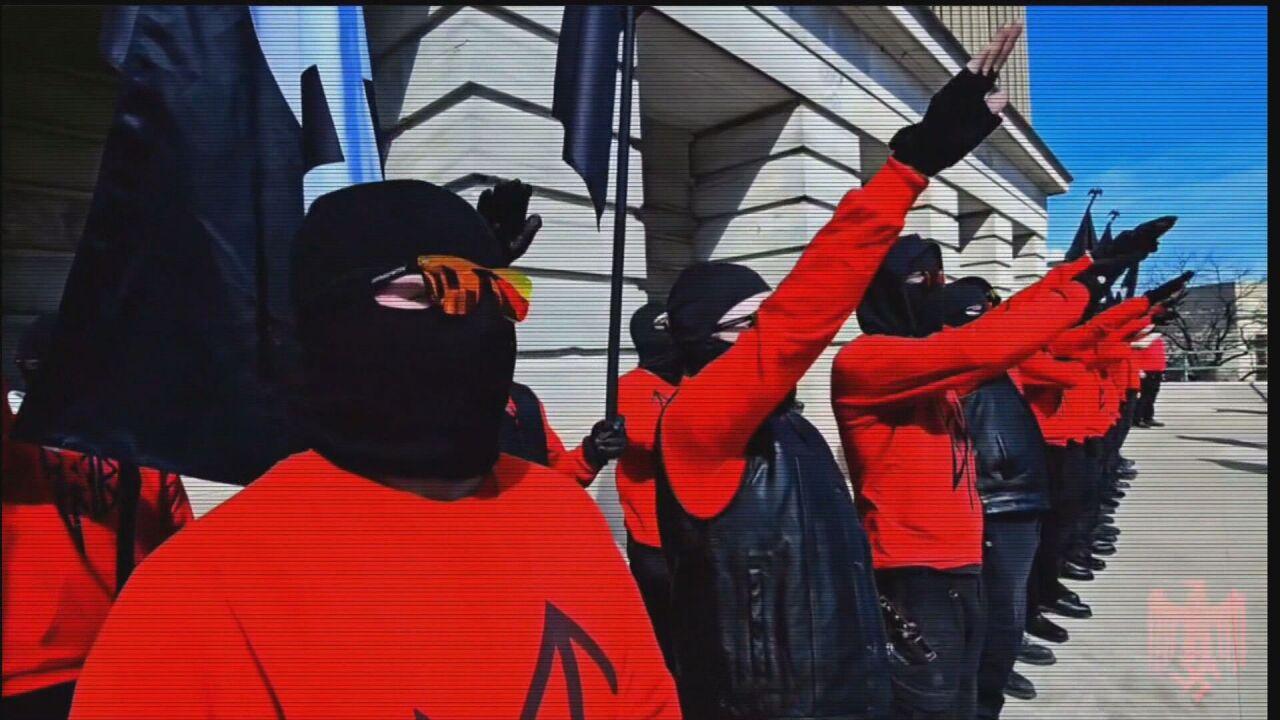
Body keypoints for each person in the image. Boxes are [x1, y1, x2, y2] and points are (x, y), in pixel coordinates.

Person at [69, 180, 678, 718]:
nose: (476, 323)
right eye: (431, 290)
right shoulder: (193, 596)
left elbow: (648, 701)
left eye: (498, 294)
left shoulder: (562, 513)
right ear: (328, 321)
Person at [653, 24, 1021, 720]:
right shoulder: (699, 419)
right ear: (705, 342)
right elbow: (802, 314)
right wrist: (909, 167)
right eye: (747, 324)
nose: (769, 334)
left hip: (847, 683)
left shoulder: (785, 426)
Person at [3, 316, 193, 720]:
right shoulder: (146, 459)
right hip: (125, 670)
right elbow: (182, 570)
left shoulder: (14, 448)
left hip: (28, 675)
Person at [941, 278, 1051, 718]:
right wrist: (1088, 280)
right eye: (982, 309)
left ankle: (995, 680)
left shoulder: (987, 352)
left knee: (1009, 604)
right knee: (999, 608)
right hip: (994, 496)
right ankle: (986, 692)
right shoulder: (957, 355)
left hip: (1020, 492)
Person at [615, 302, 682, 670]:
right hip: (653, 541)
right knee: (665, 641)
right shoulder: (630, 388)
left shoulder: (688, 384)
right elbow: (654, 443)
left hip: (693, 538)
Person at [1134, 334, 1168, 427]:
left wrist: (1163, 369)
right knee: (1144, 396)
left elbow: (1161, 355)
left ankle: (1148, 417)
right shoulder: (1141, 338)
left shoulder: (1158, 338)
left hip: (1157, 370)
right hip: (1146, 370)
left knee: (1152, 396)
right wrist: (1138, 369)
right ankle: (1138, 418)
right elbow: (1135, 354)